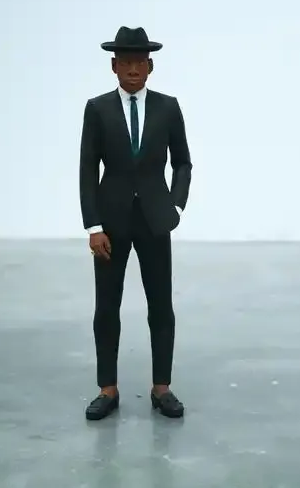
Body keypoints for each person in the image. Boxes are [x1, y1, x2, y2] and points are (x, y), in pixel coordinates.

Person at [79, 26, 192, 420]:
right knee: (106, 307)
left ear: (150, 66)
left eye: (139, 63)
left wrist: (176, 206)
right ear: (113, 66)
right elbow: (87, 169)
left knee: (160, 305)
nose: (132, 70)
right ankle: (107, 389)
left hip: (155, 221)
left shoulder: (167, 107)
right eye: (125, 62)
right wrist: (93, 226)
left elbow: (182, 162)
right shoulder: (97, 109)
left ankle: (162, 387)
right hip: (111, 224)